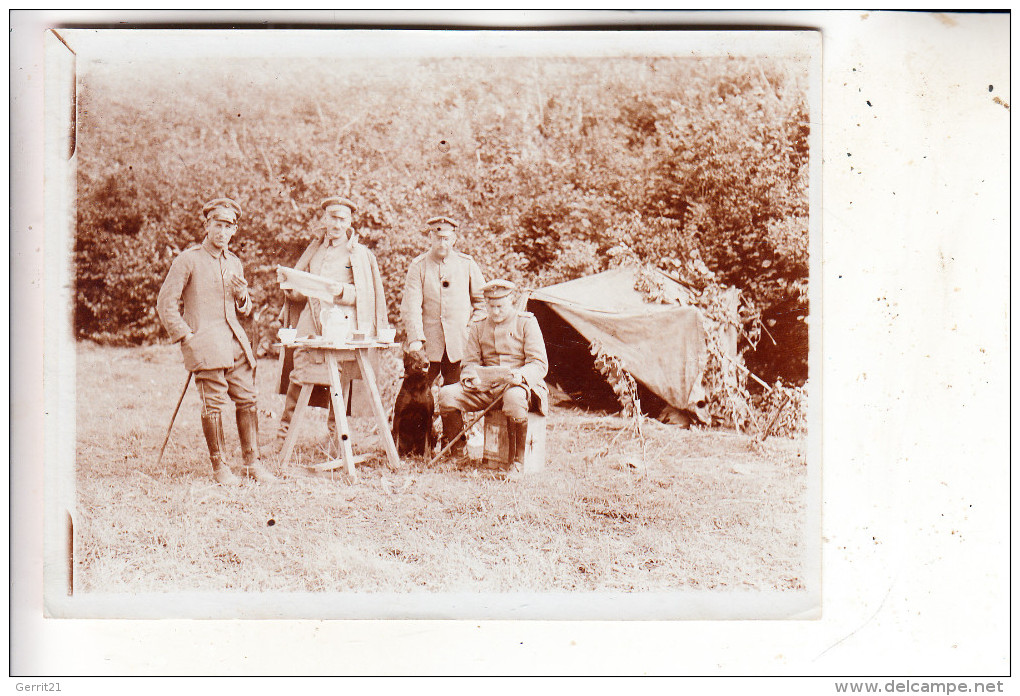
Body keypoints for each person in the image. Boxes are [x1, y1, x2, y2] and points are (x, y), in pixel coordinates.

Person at [156, 197, 276, 483]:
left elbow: (243, 310)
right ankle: (220, 467)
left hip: (235, 343)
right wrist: (186, 336)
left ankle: (252, 463)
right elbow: (165, 303)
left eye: (228, 227)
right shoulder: (188, 259)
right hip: (206, 343)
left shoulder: (234, 262)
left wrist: (243, 297)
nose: (222, 232)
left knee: (248, 398)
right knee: (213, 404)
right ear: (206, 225)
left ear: (234, 230)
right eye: (217, 225)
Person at [276, 196, 389, 440]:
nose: (336, 224)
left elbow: (365, 295)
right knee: (299, 369)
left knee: (341, 376)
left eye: (342, 219)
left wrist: (340, 292)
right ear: (324, 219)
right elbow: (301, 290)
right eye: (332, 218)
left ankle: (336, 437)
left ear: (349, 222)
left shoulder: (359, 254)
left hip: (342, 318)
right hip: (313, 314)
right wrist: (289, 285)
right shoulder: (314, 249)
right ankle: (284, 435)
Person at [437, 279, 548, 469]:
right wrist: (471, 378)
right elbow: (470, 362)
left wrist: (520, 376)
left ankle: (516, 462)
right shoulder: (479, 325)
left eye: (500, 306)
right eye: (491, 306)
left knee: (514, 397)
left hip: (520, 386)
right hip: (486, 388)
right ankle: (458, 453)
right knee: (447, 394)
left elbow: (539, 364)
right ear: (486, 304)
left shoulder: (526, 323)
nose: (495, 312)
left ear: (511, 300)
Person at [400, 215, 486, 457]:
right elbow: (411, 305)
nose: (442, 242)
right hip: (427, 347)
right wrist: (416, 339)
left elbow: (482, 304)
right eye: (437, 237)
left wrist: (471, 331)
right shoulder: (418, 266)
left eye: (446, 238)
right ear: (430, 237)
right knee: (416, 395)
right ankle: (414, 446)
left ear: (455, 239)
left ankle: (454, 447)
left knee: (453, 394)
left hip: (459, 344)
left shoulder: (467, 265)